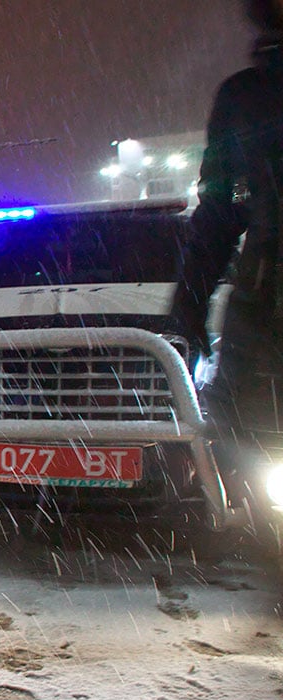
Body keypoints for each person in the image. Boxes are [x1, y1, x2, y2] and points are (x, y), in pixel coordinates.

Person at [171, 0, 283, 526]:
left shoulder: (247, 97)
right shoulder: (245, 97)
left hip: (263, 311)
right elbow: (217, 213)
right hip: (265, 313)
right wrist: (189, 307)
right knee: (251, 448)